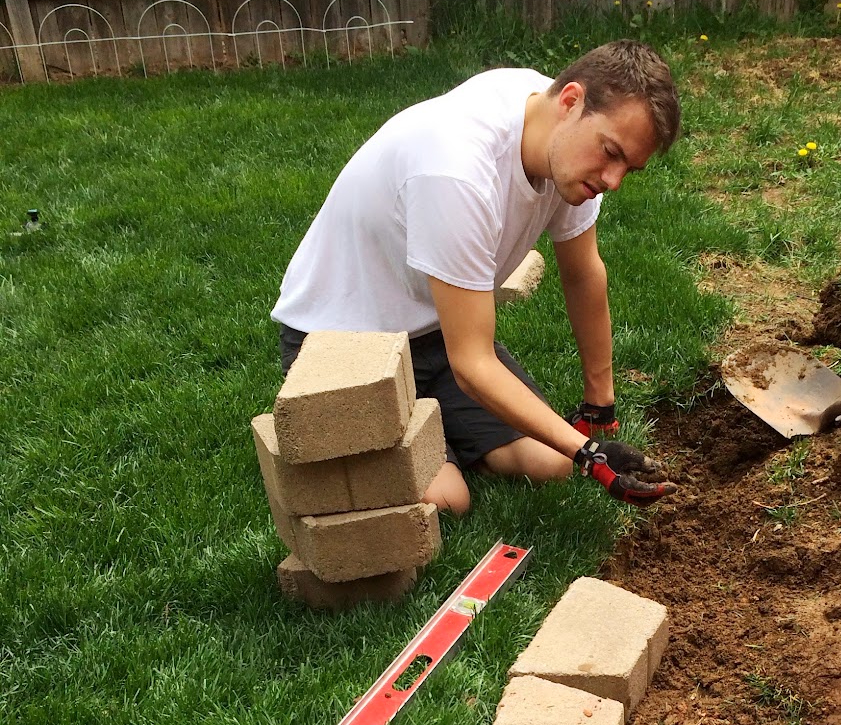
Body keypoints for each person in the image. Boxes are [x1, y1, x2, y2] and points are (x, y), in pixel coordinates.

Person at [272, 40, 680, 512]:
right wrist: (589, 455)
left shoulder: (554, 133)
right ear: (571, 101)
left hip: (436, 332)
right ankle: (422, 445)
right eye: (610, 153)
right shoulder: (458, 170)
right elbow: (473, 364)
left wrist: (598, 410)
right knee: (449, 500)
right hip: (344, 345)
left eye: (628, 167)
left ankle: (442, 434)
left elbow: (583, 273)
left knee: (553, 463)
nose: (613, 180)